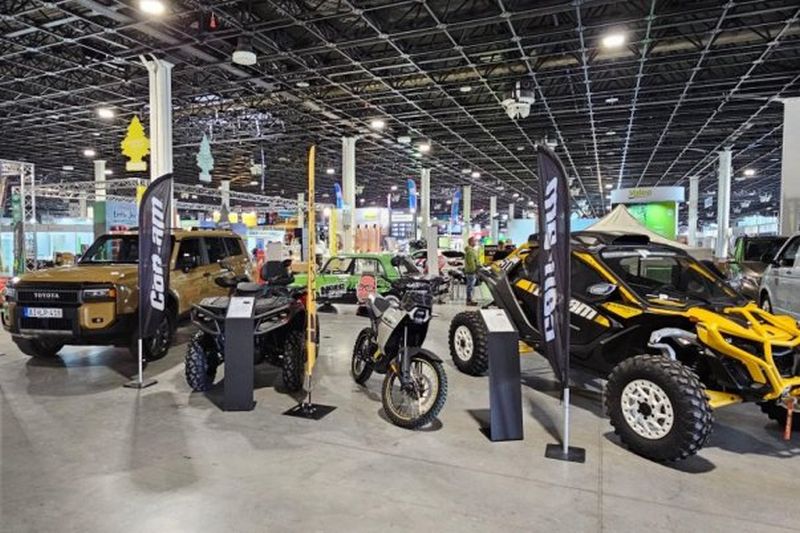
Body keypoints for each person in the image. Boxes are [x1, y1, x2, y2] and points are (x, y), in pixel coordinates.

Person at [464, 236, 479, 306]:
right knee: (470, 286)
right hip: (471, 272)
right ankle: (469, 300)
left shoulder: (471, 250)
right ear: (471, 242)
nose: (475, 242)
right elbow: (471, 263)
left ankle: (470, 299)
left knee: (470, 286)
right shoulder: (470, 251)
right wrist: (475, 270)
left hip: (470, 271)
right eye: (474, 241)